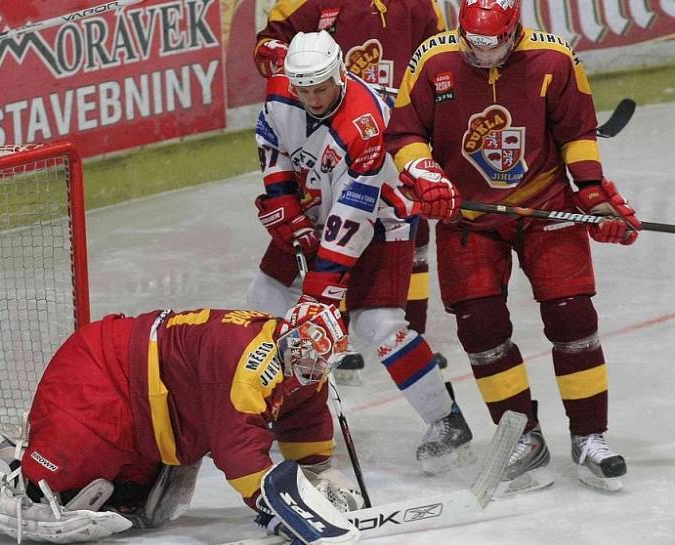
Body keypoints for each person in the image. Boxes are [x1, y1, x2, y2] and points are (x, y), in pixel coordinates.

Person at [384, 0, 639, 493]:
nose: (480, 55)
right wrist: (425, 172)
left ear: (514, 30)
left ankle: (589, 437)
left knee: (573, 317)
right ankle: (524, 438)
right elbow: (404, 133)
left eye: (492, 45)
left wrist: (592, 197)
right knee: (480, 326)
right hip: (469, 216)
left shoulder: (554, 59)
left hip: (544, 203)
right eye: (471, 44)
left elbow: (578, 135)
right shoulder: (434, 59)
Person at [0, 303, 363, 545]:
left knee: (134, 507)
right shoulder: (252, 365)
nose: (319, 371)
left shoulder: (298, 358)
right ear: (294, 346)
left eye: (326, 363)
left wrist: (317, 475)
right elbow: (236, 448)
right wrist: (277, 508)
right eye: (315, 361)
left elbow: (305, 412)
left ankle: (6, 451)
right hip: (100, 378)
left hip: (148, 409)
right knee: (49, 508)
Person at [247, 30, 473, 475]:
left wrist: (319, 294)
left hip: (382, 217)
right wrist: (284, 204)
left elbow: (352, 218)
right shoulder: (282, 89)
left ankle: (446, 420)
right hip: (317, 206)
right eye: (304, 89)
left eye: (321, 88)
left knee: (378, 324)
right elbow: (273, 144)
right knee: (265, 300)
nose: (312, 98)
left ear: (339, 75)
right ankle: (284, 416)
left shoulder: (364, 124)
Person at [253, 0, 447, 383]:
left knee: (409, 240)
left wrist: (430, 140)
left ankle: (408, 337)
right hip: (330, 140)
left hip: (388, 137)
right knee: (313, 248)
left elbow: (439, 64)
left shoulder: (420, 5)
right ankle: (333, 336)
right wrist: (288, 59)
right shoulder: (304, 7)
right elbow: (266, 48)